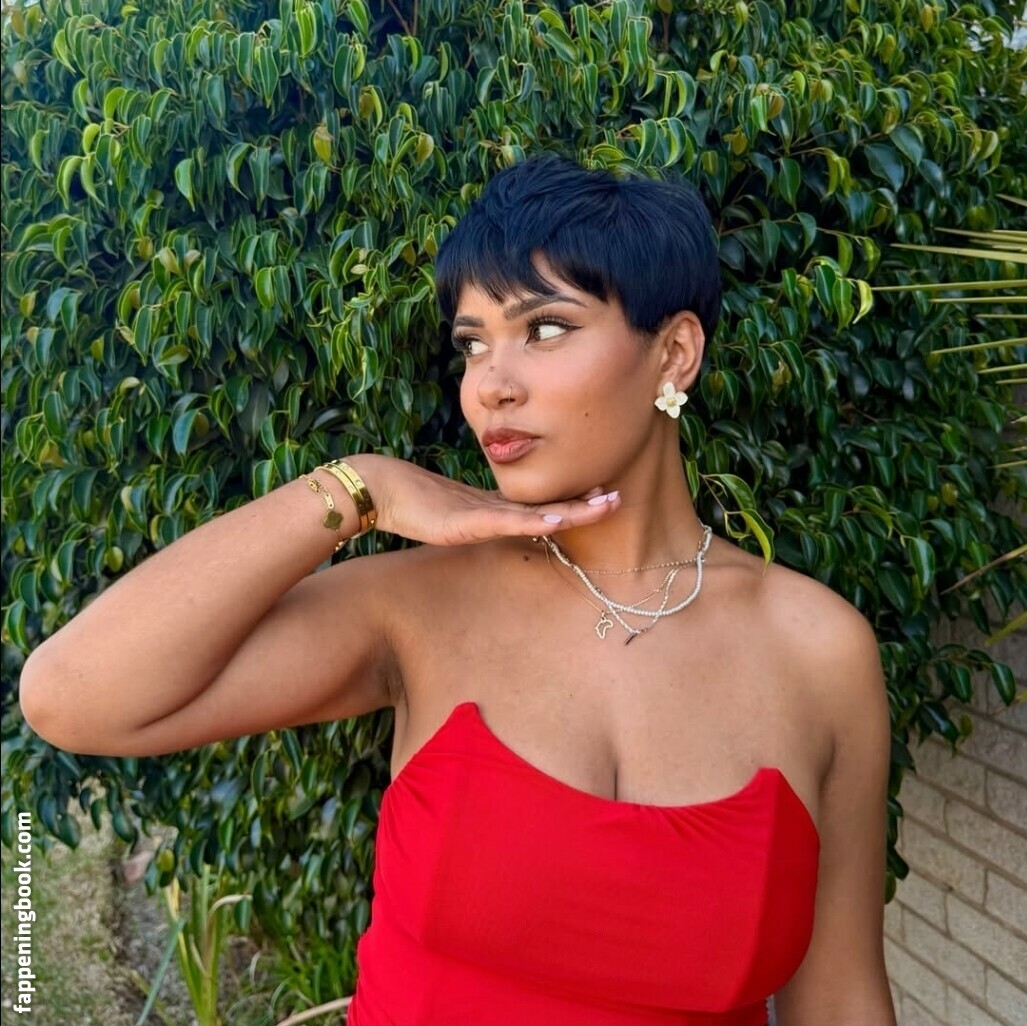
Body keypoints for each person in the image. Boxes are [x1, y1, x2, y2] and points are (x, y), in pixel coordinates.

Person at [19, 154, 897, 1025]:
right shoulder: (417, 609)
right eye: (473, 343)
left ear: (673, 354)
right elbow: (74, 697)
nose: (490, 386)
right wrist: (359, 487)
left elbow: (840, 998)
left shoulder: (815, 650)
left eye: (544, 328)